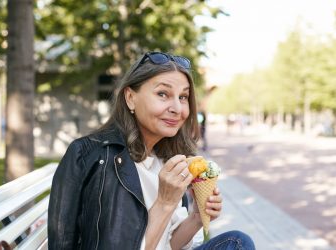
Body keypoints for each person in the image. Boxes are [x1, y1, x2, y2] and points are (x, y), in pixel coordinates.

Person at [48, 51, 255, 250]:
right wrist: (164, 202)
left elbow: (167, 245)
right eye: (163, 94)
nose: (177, 108)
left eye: (183, 97)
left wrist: (196, 218)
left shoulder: (166, 158)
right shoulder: (89, 154)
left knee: (237, 242)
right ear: (130, 98)